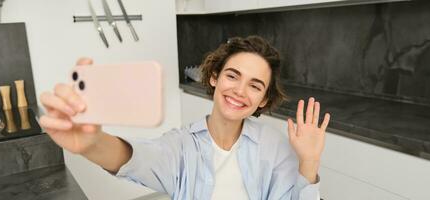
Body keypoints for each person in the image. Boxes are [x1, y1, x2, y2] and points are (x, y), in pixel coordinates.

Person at [39, 36, 330, 200]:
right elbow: (140, 159)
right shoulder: (181, 146)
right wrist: (92, 143)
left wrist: (309, 162)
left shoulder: (274, 147)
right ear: (215, 77)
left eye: (255, 85)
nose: (240, 91)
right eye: (233, 75)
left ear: (263, 99)